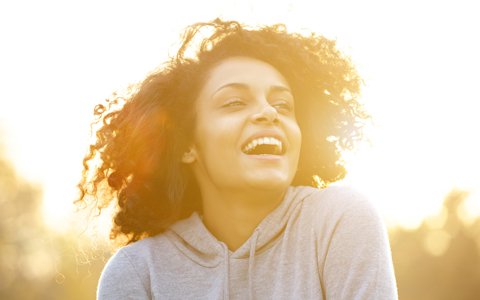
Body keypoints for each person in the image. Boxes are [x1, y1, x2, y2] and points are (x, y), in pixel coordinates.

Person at [77, 19, 398, 299]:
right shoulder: (137, 273)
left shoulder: (339, 222)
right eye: (234, 103)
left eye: (283, 105)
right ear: (188, 144)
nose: (268, 112)